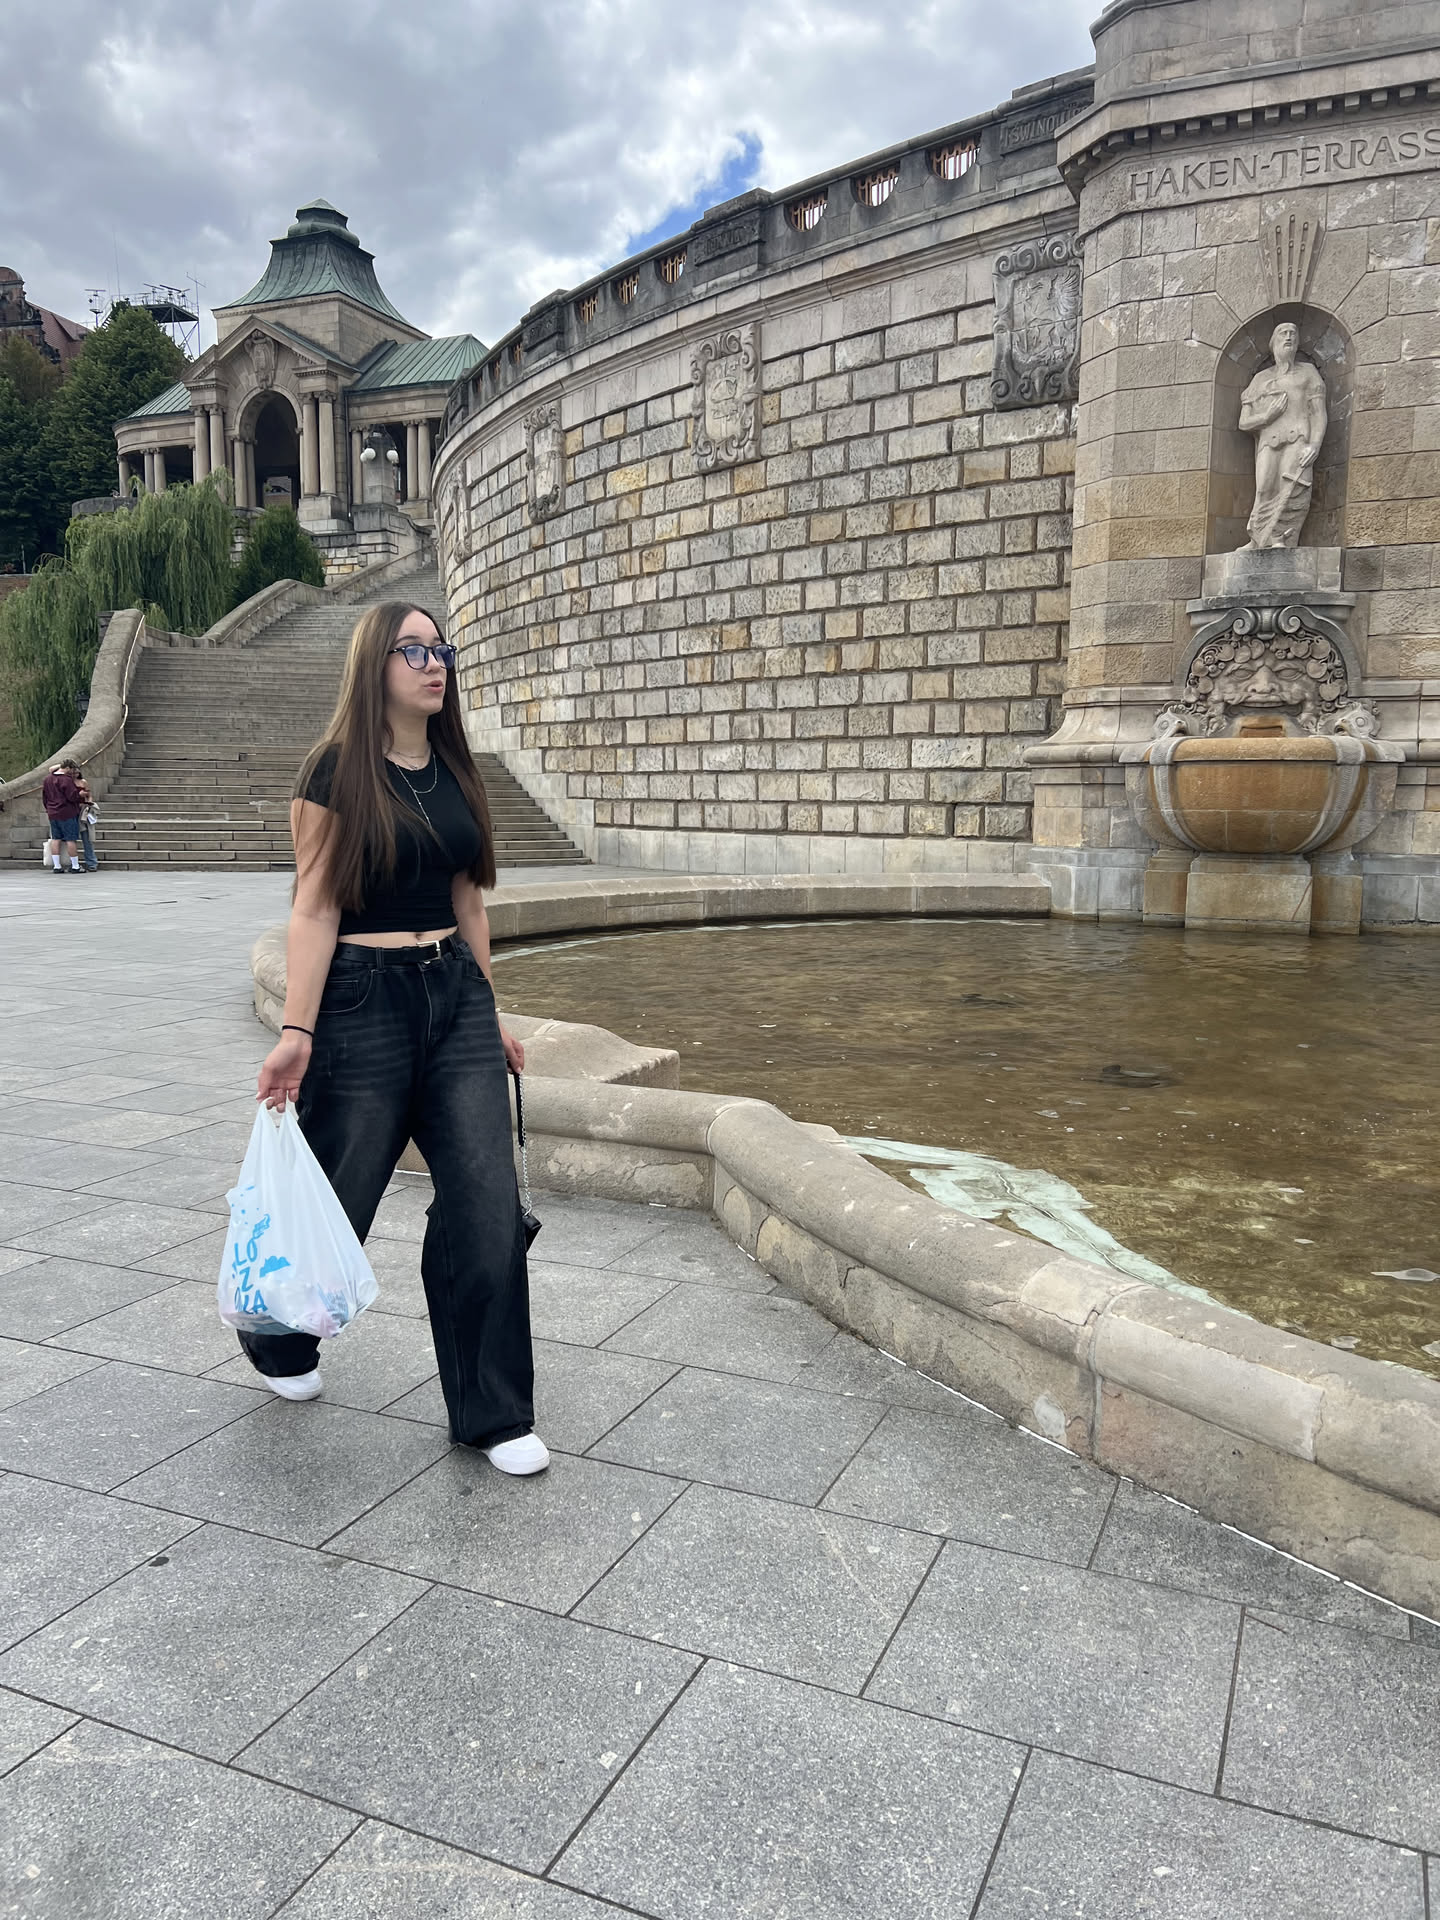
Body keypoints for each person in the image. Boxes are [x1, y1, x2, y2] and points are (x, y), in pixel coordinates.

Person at [250, 600, 548, 1476]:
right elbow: (314, 908)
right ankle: (277, 1338)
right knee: (341, 1192)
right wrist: (297, 1030)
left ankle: (493, 1412)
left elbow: (468, 903)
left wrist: (489, 1013)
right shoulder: (334, 771)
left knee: (485, 1201)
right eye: (413, 650)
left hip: (454, 995)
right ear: (374, 664)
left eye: (439, 649)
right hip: (362, 1000)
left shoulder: (456, 768)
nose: (434, 663)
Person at [41, 762, 85, 874]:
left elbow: (44, 797)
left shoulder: (47, 779)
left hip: (52, 812)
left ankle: (57, 866)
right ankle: (75, 866)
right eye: (72, 769)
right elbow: (72, 796)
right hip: (67, 812)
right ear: (68, 768)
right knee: (70, 839)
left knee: (56, 839)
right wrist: (80, 795)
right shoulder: (66, 780)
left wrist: (48, 808)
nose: (73, 772)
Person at [65, 760, 99, 872]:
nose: (75, 775)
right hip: (71, 811)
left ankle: (91, 862)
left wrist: (89, 803)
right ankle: (72, 862)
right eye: (73, 772)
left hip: (83, 811)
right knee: (71, 839)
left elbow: (89, 795)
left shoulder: (83, 782)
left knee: (87, 838)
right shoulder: (67, 782)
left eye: (77, 772)